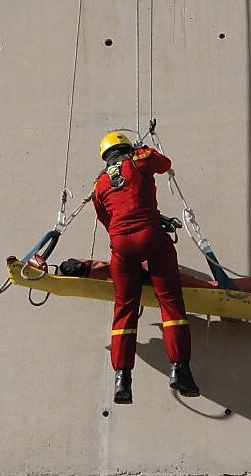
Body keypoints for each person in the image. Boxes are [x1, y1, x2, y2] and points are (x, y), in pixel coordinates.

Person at [93, 131, 200, 404]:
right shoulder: (141, 160)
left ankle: (122, 379)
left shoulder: (100, 184)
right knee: (170, 302)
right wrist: (145, 149)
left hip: (121, 246)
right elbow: (165, 164)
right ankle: (180, 370)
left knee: (124, 310)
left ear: (105, 156)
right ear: (127, 148)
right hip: (151, 237)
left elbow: (105, 219)